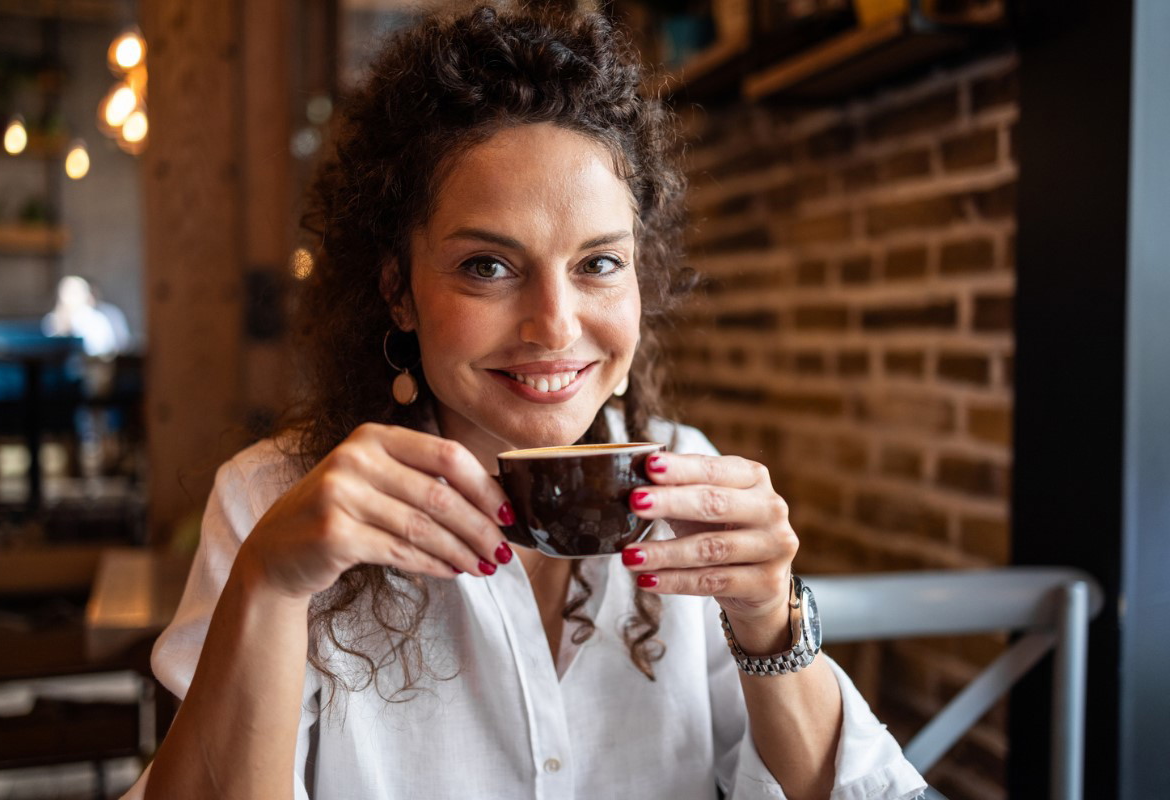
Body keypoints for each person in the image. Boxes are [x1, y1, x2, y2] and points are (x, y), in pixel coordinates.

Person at [127, 5, 925, 799]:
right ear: (398, 292)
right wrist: (269, 585)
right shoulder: (272, 503)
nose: (555, 325)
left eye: (598, 264)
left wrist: (770, 623)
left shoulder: (689, 487)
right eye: (488, 266)